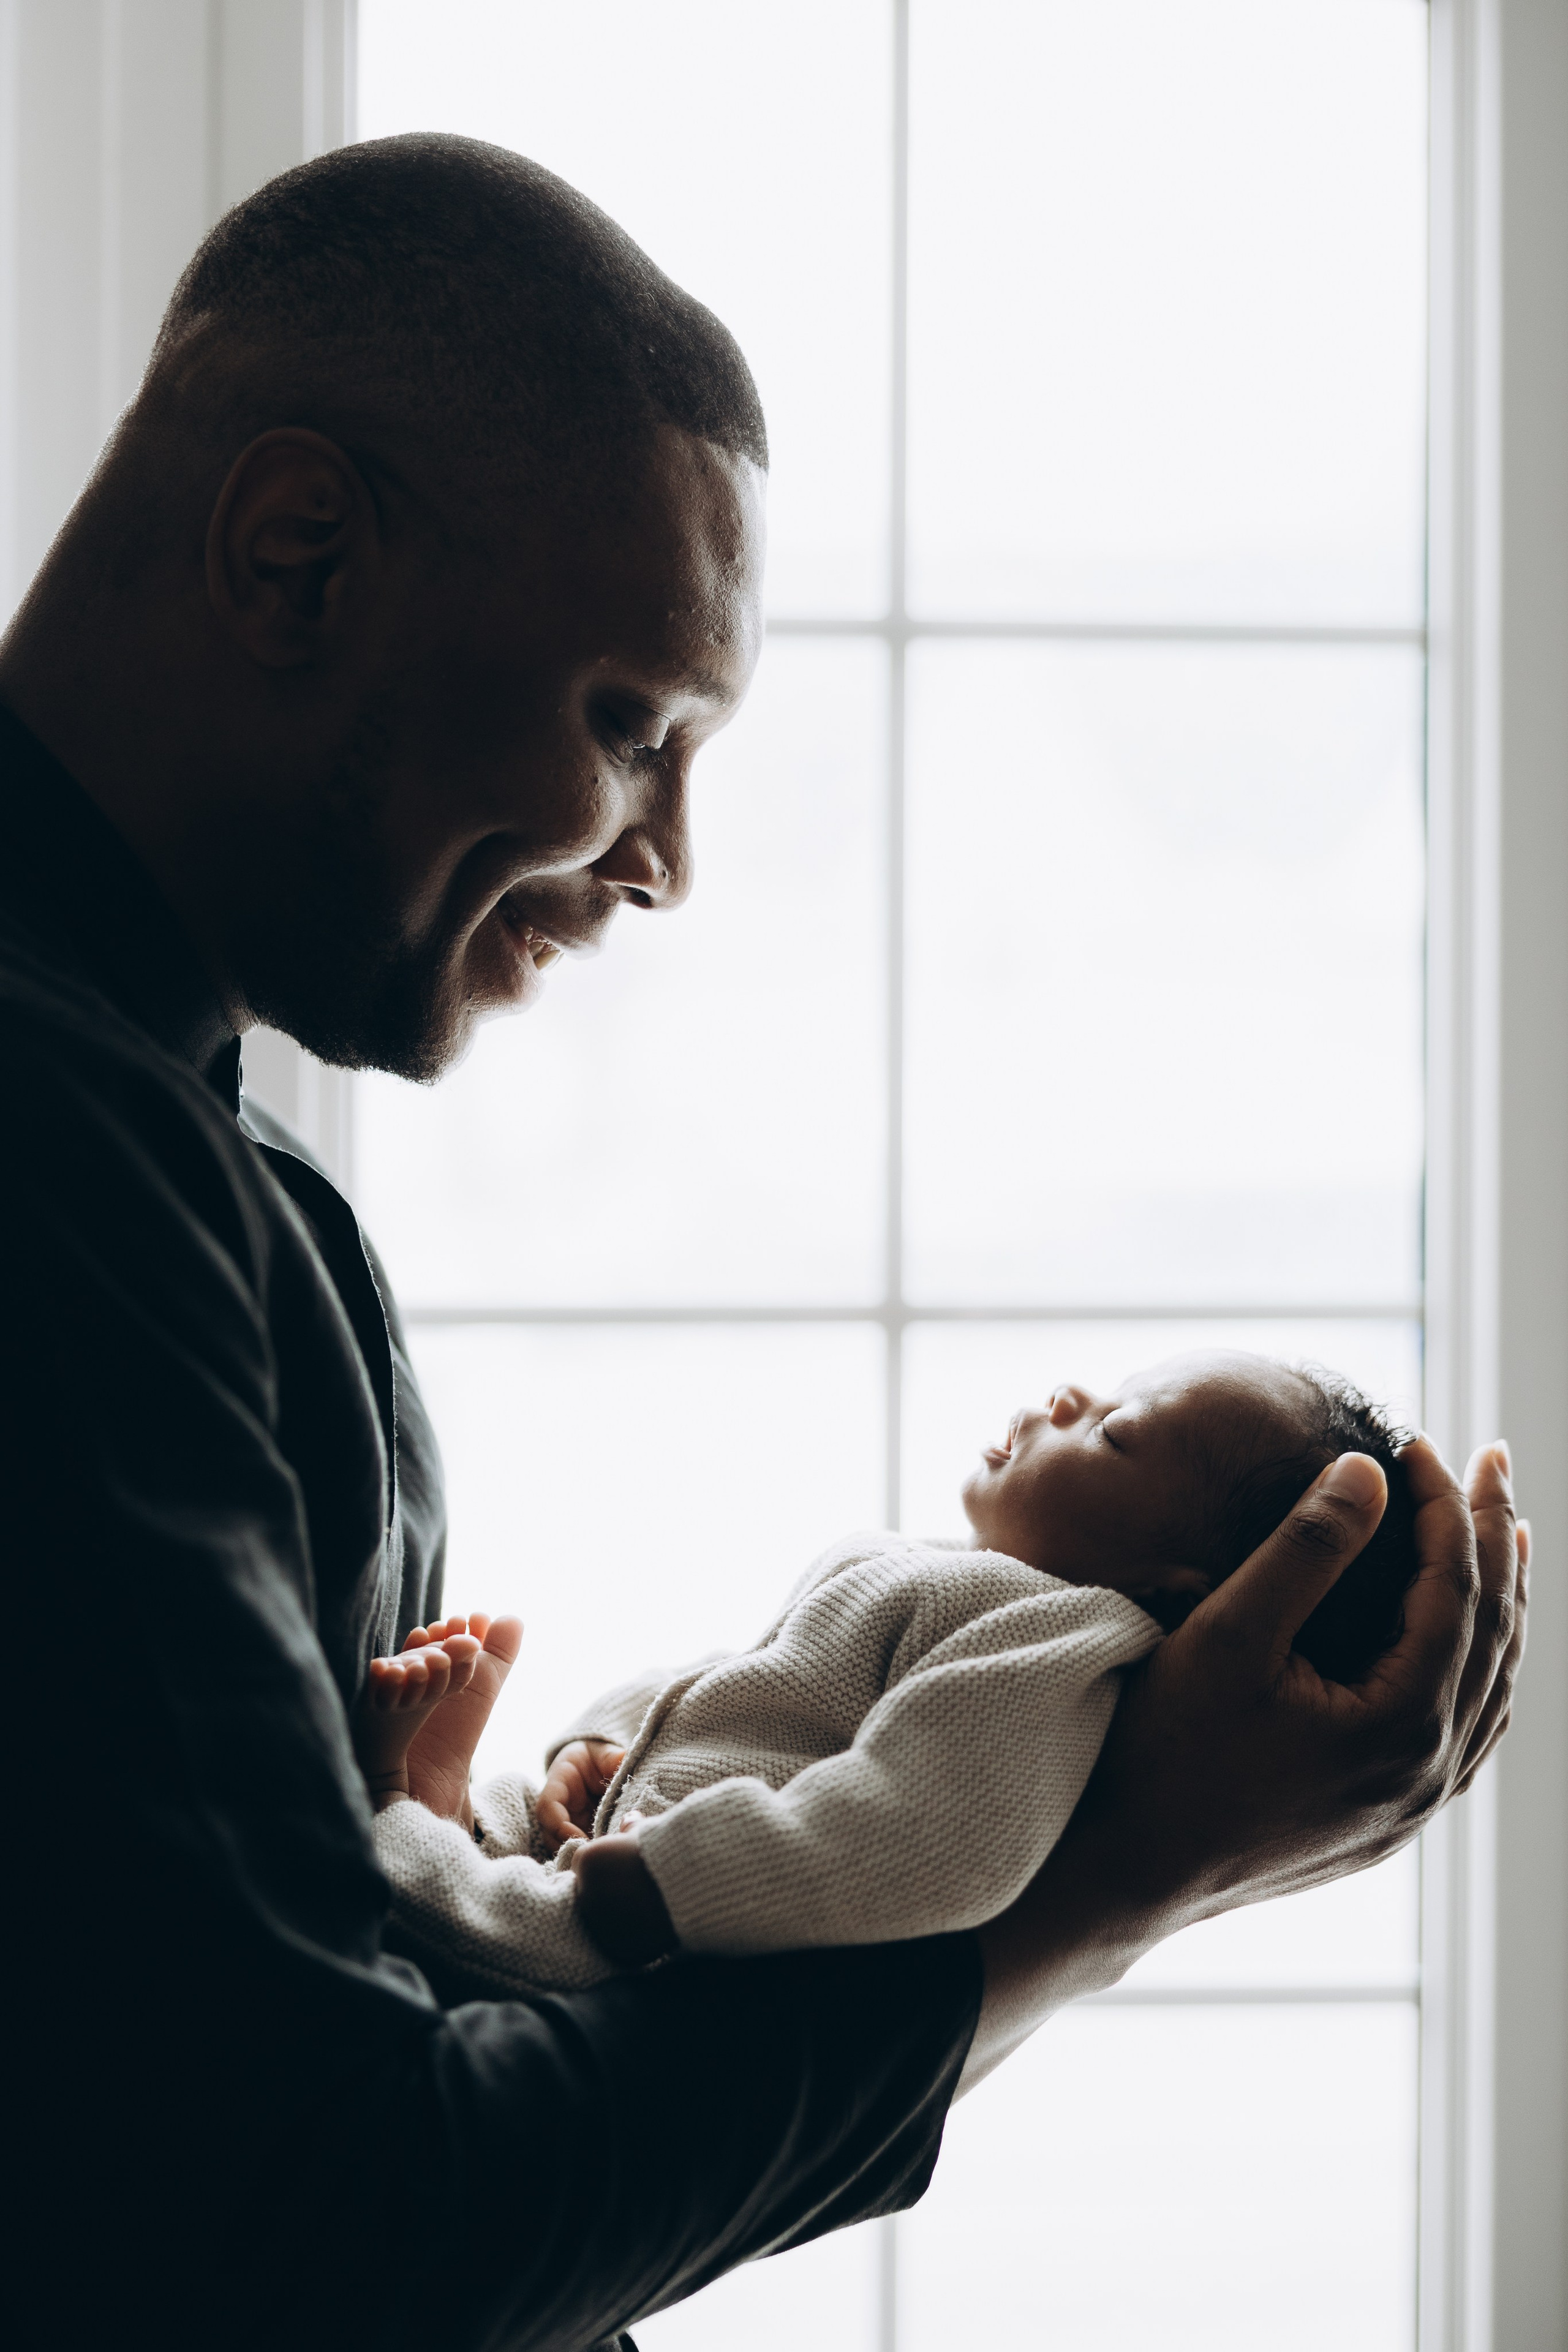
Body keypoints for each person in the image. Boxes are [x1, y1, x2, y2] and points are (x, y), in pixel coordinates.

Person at [0, 133, 1523, 2352]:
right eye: (634, 726)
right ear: (298, 551)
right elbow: (315, 2226)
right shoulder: (52, 1150)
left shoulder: (188, 1149)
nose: (667, 862)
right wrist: (1108, 1883)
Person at [351, 1352, 1423, 2007]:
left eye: (1118, 1431)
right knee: (505, 1831)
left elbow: (924, 1834)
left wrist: (681, 1887)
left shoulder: (1057, 1650)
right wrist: (601, 1741)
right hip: (643, 1821)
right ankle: (458, 1803)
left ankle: (393, 1823)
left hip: (666, 1934)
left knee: (491, 1936)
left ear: (1179, 1590)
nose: (1071, 1394)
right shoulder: (945, 1579)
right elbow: (743, 1676)